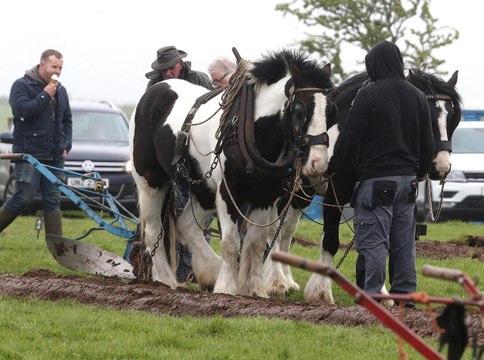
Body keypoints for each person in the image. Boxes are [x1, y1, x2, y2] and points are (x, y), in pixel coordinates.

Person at [327, 41, 434, 304]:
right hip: (408, 182)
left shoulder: (368, 95)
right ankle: (406, 295)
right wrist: (419, 172)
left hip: (376, 182)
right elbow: (428, 144)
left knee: (373, 241)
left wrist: (334, 167)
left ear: (373, 65)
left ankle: (373, 295)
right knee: (404, 243)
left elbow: (349, 138)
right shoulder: (418, 97)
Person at [145, 45, 213, 283]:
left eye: (169, 69)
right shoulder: (156, 85)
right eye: (162, 70)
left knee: (199, 215)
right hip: (169, 155)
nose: (166, 74)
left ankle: (198, 266)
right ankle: (181, 268)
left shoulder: (199, 80)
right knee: (172, 210)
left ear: (180, 64)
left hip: (196, 154)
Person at [0, 49, 72, 241]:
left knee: (53, 201)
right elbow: (22, 111)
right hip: (28, 154)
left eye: (60, 68)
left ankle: (58, 247)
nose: (57, 71)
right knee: (24, 197)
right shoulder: (21, 86)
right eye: (54, 67)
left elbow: (67, 120)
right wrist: (45, 95)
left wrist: (66, 144)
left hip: (55, 155)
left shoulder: (61, 90)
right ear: (42, 65)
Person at [145, 45, 213, 90]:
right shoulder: (154, 85)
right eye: (164, 70)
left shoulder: (198, 79)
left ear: (181, 64)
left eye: (171, 68)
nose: (168, 73)